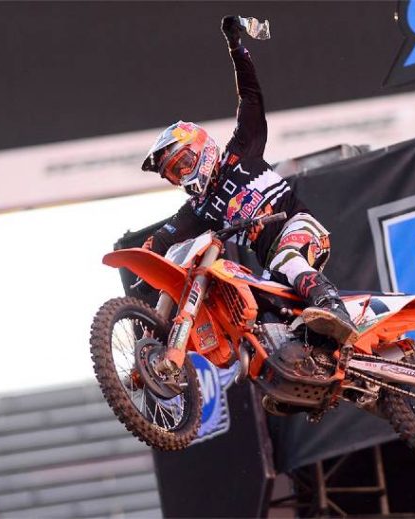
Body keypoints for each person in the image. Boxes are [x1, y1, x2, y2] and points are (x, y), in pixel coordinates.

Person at [140, 16, 357, 361]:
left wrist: (236, 48)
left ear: (201, 148)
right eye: (174, 174)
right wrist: (141, 266)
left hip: (299, 227)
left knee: (287, 259)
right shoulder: (200, 209)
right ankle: (310, 363)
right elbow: (163, 240)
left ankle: (333, 307)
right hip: (270, 264)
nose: (182, 175)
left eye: (183, 163)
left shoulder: (242, 151)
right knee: (262, 317)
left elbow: (251, 96)